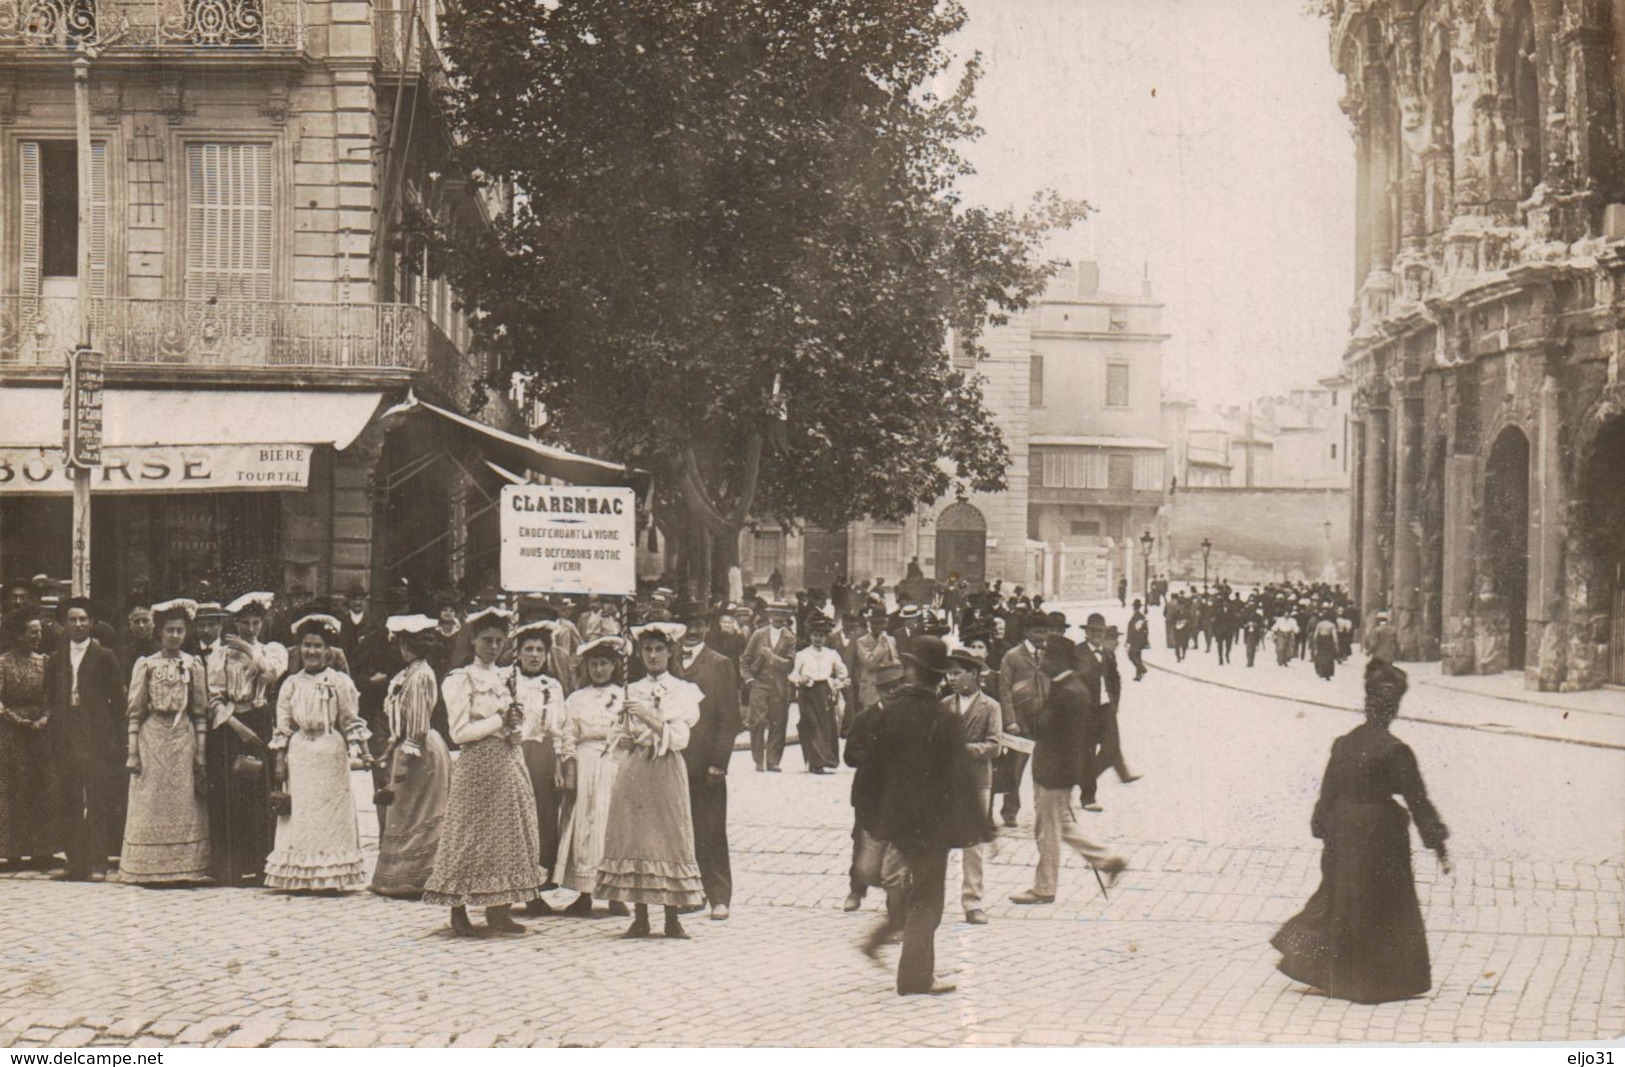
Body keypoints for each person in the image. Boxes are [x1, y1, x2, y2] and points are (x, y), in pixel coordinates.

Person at [1272, 662, 1450, 1003]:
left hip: (1344, 829)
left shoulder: (1344, 743)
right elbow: (1417, 798)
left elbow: (1328, 791)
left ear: (1367, 705)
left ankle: (1335, 971)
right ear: (1394, 709)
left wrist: (1324, 828)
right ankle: (1381, 979)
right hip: (1381, 833)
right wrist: (1437, 842)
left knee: (1339, 899)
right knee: (1384, 907)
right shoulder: (1396, 750)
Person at [852, 636, 989, 996]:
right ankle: (914, 977)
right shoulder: (942, 717)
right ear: (939, 677)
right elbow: (960, 776)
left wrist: (869, 818)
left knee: (909, 891)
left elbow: (869, 769)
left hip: (894, 820)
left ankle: (882, 940)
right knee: (928, 897)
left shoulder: (891, 712)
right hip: (930, 825)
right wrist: (983, 826)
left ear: (912, 672)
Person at [423, 607, 546, 935]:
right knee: (469, 836)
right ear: (473, 640)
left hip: (508, 762)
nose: (493, 647)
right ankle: (457, 908)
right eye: (486, 640)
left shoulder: (506, 677)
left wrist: (515, 728)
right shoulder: (460, 679)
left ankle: (499, 908)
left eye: (498, 641)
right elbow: (459, 732)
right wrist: (497, 721)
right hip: (477, 765)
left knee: (509, 834)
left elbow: (511, 724)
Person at [596, 622, 707, 939]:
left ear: (670, 652)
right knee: (635, 836)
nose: (653, 655)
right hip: (635, 770)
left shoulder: (683, 692)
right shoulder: (631, 689)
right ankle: (640, 917)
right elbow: (617, 732)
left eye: (660, 649)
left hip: (665, 768)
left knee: (668, 836)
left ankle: (672, 917)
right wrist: (623, 737)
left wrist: (648, 717)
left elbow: (679, 738)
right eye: (648, 649)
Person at [1009, 633, 1127, 905]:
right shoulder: (1069, 687)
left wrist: (1025, 703)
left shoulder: (1068, 692)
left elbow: (1043, 729)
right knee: (1061, 825)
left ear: (1059, 661)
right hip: (1057, 770)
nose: (1043, 661)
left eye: (1048, 656)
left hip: (1054, 772)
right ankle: (1108, 860)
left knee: (1048, 831)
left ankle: (1044, 888)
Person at [264, 614, 369, 892]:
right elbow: (283, 725)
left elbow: (350, 719)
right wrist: (279, 761)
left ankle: (329, 876)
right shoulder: (291, 684)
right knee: (302, 814)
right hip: (300, 754)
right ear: (299, 649)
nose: (311, 652)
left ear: (327, 651)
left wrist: (363, 751)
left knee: (330, 815)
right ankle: (301, 875)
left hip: (330, 752)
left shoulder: (339, 682)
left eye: (318, 646)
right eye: (307, 646)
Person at [121, 599, 211, 885]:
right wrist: (133, 752)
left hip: (183, 737)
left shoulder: (193, 664)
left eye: (180, 630)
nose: (174, 636)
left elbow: (199, 711)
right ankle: (147, 868)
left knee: (184, 800)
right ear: (159, 633)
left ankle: (185, 868)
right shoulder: (146, 665)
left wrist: (201, 753)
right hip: (152, 738)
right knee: (151, 799)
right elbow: (135, 711)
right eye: (169, 630)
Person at [202, 593, 287, 887]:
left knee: (259, 792)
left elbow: (271, 674)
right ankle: (231, 867)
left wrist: (249, 651)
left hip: (261, 718)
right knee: (231, 793)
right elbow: (213, 697)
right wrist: (237, 726)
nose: (251, 629)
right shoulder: (221, 655)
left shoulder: (270, 650)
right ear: (235, 623)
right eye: (245, 623)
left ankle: (260, 864)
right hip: (230, 724)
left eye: (256, 622)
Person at [370, 615, 451, 898]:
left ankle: (419, 876)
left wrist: (404, 759)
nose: (401, 648)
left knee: (417, 808)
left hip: (420, 749)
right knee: (405, 810)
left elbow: (416, 725)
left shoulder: (420, 676)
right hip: (408, 743)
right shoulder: (410, 672)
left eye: (405, 643)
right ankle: (403, 876)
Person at [554, 636, 630, 918]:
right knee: (585, 824)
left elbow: (629, 731)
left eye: (605, 664)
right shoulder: (576, 699)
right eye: (594, 664)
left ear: (614, 666)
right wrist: (569, 766)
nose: (599, 669)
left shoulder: (624, 696)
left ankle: (616, 894)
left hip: (613, 761)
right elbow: (568, 735)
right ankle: (584, 893)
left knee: (611, 823)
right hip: (586, 762)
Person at [675, 604, 742, 921]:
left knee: (711, 827)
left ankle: (719, 895)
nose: (691, 630)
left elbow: (730, 718)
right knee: (678, 827)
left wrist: (719, 761)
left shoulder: (720, 665)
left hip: (705, 763)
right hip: (672, 760)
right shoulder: (668, 661)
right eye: (686, 623)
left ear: (706, 627)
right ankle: (688, 892)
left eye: (698, 623)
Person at [510, 619, 568, 914]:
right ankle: (509, 888)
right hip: (515, 752)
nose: (534, 655)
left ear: (547, 655)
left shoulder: (552, 686)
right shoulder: (508, 682)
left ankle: (536, 890)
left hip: (543, 757)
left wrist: (558, 765)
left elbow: (558, 729)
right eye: (528, 649)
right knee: (514, 822)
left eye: (539, 650)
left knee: (543, 822)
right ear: (518, 653)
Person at [943, 646, 1001, 925]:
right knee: (938, 840)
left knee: (973, 844)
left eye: (957, 672)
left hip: (978, 781)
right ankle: (931, 897)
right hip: (946, 782)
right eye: (949, 673)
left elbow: (995, 746)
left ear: (974, 674)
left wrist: (962, 750)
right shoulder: (943, 705)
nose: (951, 678)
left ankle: (973, 901)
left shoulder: (991, 707)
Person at [0, 611, 58, 869]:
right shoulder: (3, 663)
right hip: (12, 734)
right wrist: (15, 720)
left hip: (40, 733)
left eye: (39, 632)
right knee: (15, 789)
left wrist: (45, 717)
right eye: (32, 632)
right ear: (18, 634)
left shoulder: (44, 662)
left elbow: (50, 696)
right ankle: (13, 853)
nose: (38, 637)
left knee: (42, 788)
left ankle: (42, 850)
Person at [995, 611, 1053, 827]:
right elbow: (1004, 691)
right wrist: (1011, 721)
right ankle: (1010, 811)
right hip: (1022, 724)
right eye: (1038, 631)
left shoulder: (1049, 656)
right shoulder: (1012, 657)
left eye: (1045, 631)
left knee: (1045, 770)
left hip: (1045, 723)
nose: (1042, 636)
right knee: (1015, 771)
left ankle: (1044, 811)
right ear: (1027, 632)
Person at [787, 614, 847, 773]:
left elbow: (843, 673)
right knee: (811, 725)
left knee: (825, 725)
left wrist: (836, 683)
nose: (817, 639)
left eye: (821, 635)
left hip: (824, 693)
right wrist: (800, 680)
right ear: (810, 636)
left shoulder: (831, 654)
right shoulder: (802, 654)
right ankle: (815, 763)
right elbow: (792, 674)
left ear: (826, 637)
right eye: (815, 635)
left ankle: (825, 760)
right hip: (807, 693)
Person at [740, 603, 795, 773]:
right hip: (759, 684)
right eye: (775, 614)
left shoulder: (790, 638)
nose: (778, 618)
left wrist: (772, 657)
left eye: (782, 614)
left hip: (779, 687)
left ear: (786, 617)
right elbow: (744, 660)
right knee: (757, 722)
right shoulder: (759, 634)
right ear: (770, 615)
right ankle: (758, 759)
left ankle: (773, 761)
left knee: (778, 723)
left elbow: (789, 665)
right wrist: (749, 679)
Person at [1311, 611, 1339, 681]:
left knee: (1320, 656)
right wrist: (1336, 645)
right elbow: (1334, 636)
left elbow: (1315, 635)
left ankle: (1321, 671)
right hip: (1328, 641)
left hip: (1320, 640)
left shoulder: (1319, 624)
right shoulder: (1331, 625)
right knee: (1329, 657)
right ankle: (1327, 673)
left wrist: (1315, 644)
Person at [1125, 600, 1149, 682]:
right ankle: (1138, 675)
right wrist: (1145, 640)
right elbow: (1146, 630)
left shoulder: (1135, 617)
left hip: (1135, 640)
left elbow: (1131, 630)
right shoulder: (1142, 617)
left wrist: (1128, 641)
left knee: (1131, 655)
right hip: (1140, 640)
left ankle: (1142, 669)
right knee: (1138, 656)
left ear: (1134, 607)